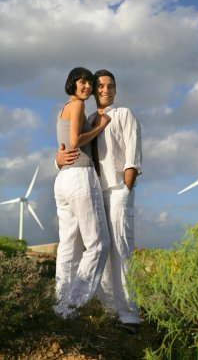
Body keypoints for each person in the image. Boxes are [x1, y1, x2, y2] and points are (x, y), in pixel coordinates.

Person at [56, 69, 142, 332]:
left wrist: (126, 187)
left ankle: (129, 315)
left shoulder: (124, 114)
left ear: (115, 90)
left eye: (111, 86)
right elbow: (72, 146)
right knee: (97, 250)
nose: (105, 90)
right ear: (94, 90)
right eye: (101, 86)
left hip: (116, 190)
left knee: (120, 249)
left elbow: (133, 155)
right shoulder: (89, 117)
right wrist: (57, 161)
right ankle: (108, 310)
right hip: (91, 188)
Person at [54, 67, 111, 319]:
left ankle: (61, 305)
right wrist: (101, 126)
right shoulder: (77, 105)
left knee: (68, 246)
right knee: (99, 244)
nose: (87, 86)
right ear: (72, 83)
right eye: (82, 81)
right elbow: (75, 141)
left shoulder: (63, 108)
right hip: (79, 177)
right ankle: (74, 304)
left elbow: (65, 143)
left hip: (63, 178)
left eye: (89, 82)